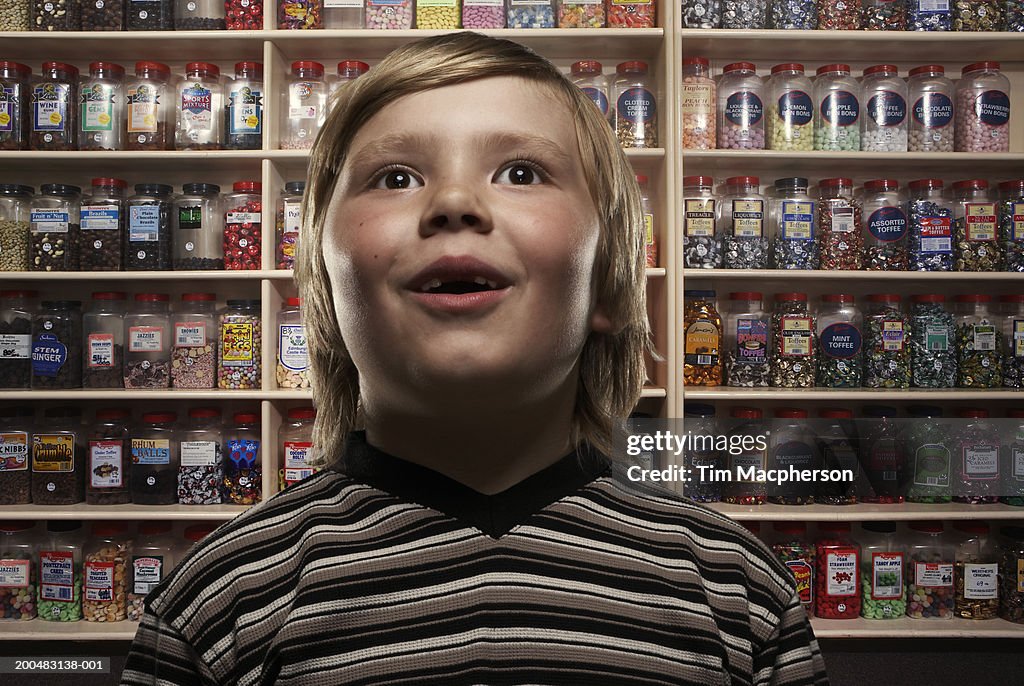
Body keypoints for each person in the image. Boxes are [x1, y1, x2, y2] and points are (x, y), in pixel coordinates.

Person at [121, 32, 829, 685]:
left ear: (608, 282)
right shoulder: (220, 599)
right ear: (327, 285)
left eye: (521, 172)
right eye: (395, 178)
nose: (454, 202)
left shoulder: (738, 591)